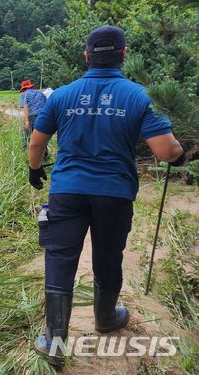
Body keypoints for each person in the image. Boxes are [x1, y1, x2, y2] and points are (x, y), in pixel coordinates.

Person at [28, 25, 185, 364]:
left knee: (60, 257)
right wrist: (181, 154)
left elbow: (37, 142)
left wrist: (35, 169)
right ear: (124, 55)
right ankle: (106, 319)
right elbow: (166, 151)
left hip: (67, 190)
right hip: (114, 193)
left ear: (86, 57)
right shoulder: (140, 96)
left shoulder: (62, 95)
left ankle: (55, 341)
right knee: (108, 256)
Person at [19, 79, 47, 148]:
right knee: (41, 138)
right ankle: (45, 157)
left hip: (32, 117)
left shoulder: (24, 94)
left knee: (26, 137)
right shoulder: (41, 93)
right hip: (44, 117)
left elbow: (25, 107)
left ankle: (25, 154)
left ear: (23, 89)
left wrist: (26, 121)